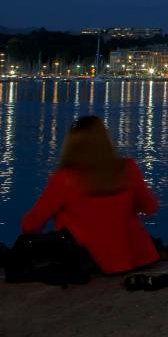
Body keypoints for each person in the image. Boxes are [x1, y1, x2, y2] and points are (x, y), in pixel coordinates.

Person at [21, 115, 160, 274]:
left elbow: (30, 225)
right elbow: (150, 207)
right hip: (136, 259)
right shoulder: (127, 168)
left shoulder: (65, 179)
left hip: (90, 262)